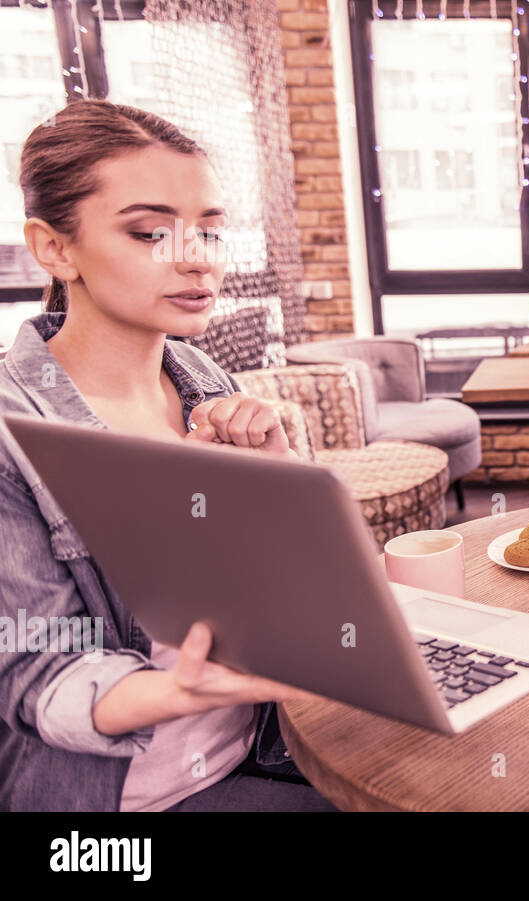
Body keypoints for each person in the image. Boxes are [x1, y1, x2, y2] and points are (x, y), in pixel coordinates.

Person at [0, 99, 335, 811]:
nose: (194, 257)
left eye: (210, 232)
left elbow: (285, 596)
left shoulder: (204, 381)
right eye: (151, 231)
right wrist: (175, 690)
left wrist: (276, 485)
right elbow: (29, 677)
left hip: (261, 751)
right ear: (55, 247)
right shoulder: (13, 430)